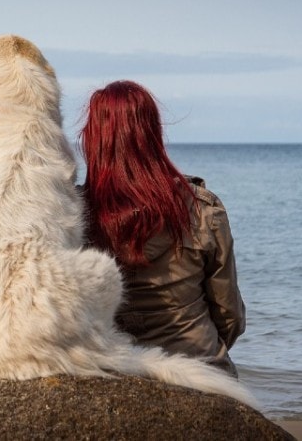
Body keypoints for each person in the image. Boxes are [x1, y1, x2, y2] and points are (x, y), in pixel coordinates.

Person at [79, 80, 245, 377]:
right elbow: (230, 316)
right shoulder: (202, 209)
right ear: (152, 136)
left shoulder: (72, 215)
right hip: (203, 370)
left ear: (93, 139)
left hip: (116, 370)